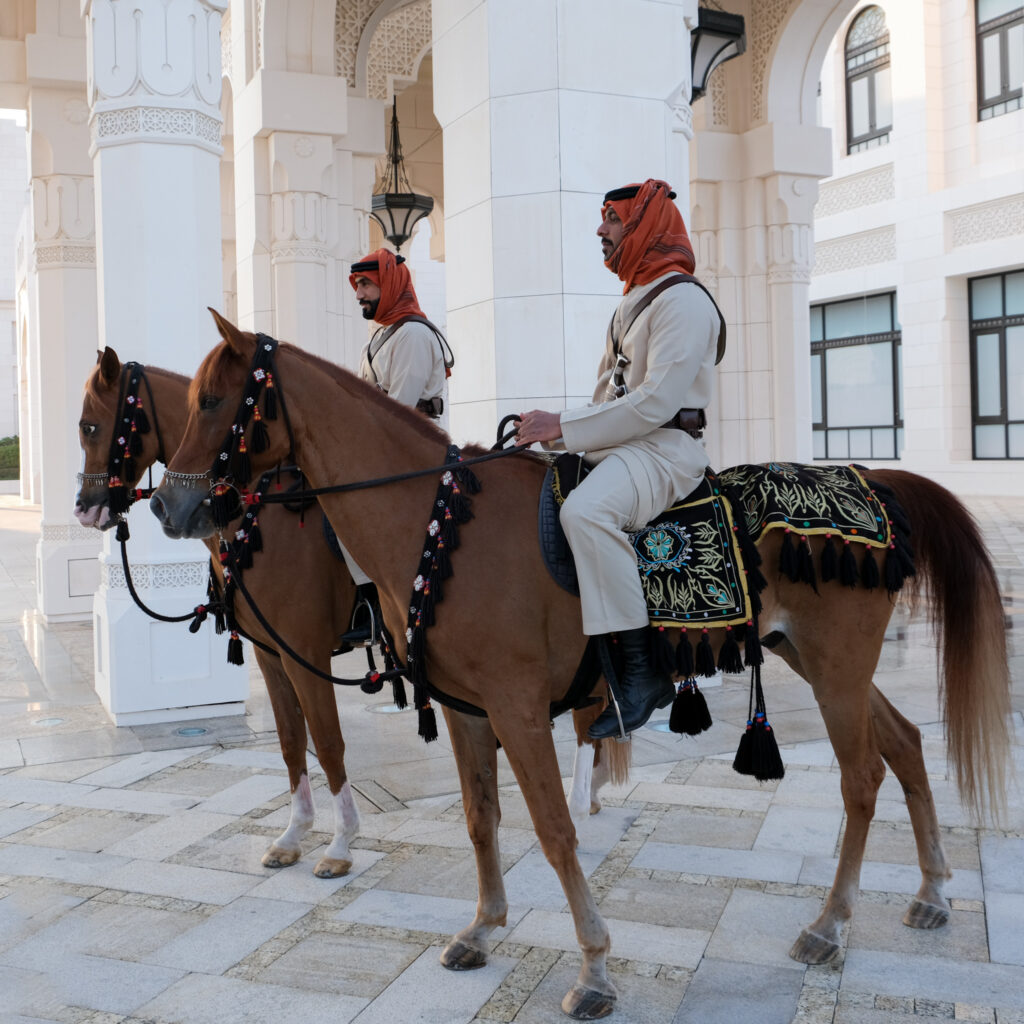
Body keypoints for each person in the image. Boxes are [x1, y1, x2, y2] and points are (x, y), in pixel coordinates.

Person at [515, 179, 724, 740]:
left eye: (612, 219)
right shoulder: (635, 298)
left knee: (585, 513)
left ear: (643, 227)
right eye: (603, 218)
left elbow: (656, 402)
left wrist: (564, 426)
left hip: (665, 449)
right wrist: (553, 433)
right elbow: (610, 397)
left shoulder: (683, 299)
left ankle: (641, 673)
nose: (600, 229)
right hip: (629, 444)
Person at [340, 248, 454, 645]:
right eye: (358, 286)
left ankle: (372, 602)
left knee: (348, 502)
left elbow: (399, 412)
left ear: (389, 284)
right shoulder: (381, 335)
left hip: (413, 448)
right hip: (383, 443)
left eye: (367, 285)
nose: (359, 295)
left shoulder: (414, 334)